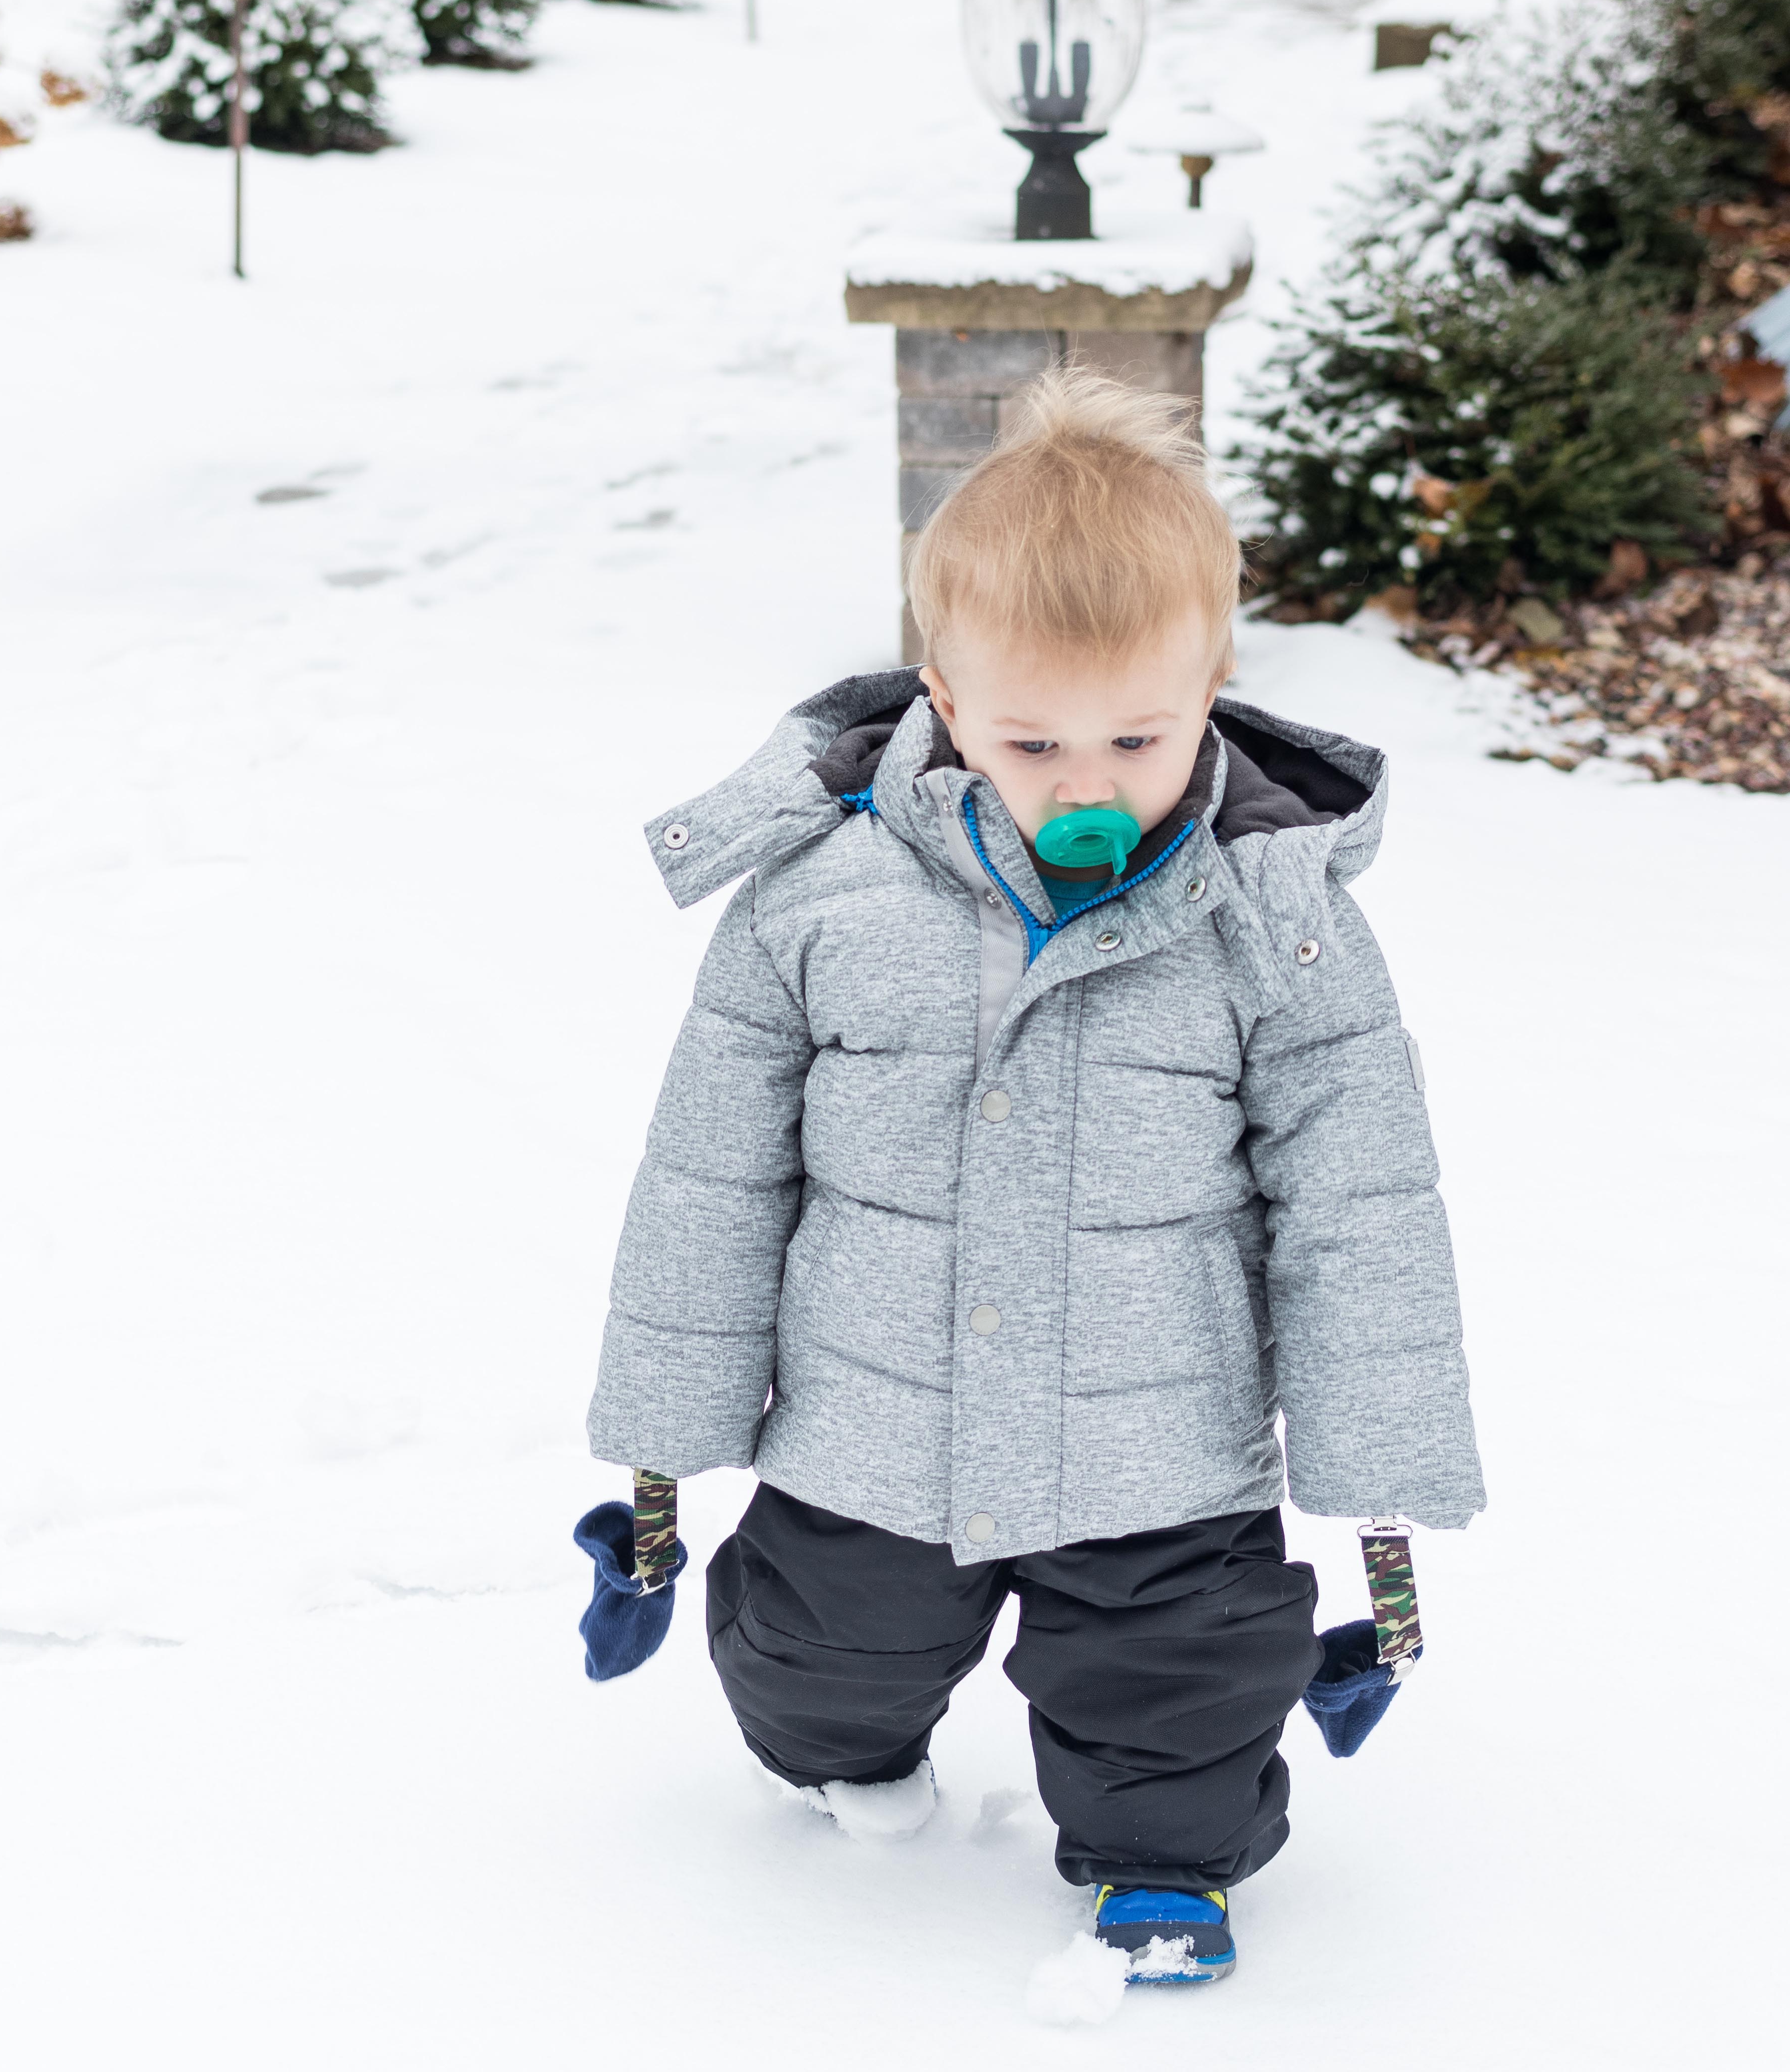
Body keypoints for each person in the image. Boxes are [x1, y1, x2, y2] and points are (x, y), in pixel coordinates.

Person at [587, 371, 1483, 1981]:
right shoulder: (817, 901)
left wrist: (1380, 1459)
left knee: (1183, 1687)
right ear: (941, 694)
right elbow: (711, 1179)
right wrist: (669, 1435)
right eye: (1032, 738)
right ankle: (842, 1753)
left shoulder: (1275, 921)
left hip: (1165, 1442)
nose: (1091, 784)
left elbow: (1360, 1207)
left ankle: (1164, 1866)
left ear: (1214, 686)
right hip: (868, 1426)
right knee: (811, 1662)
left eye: (1140, 735)